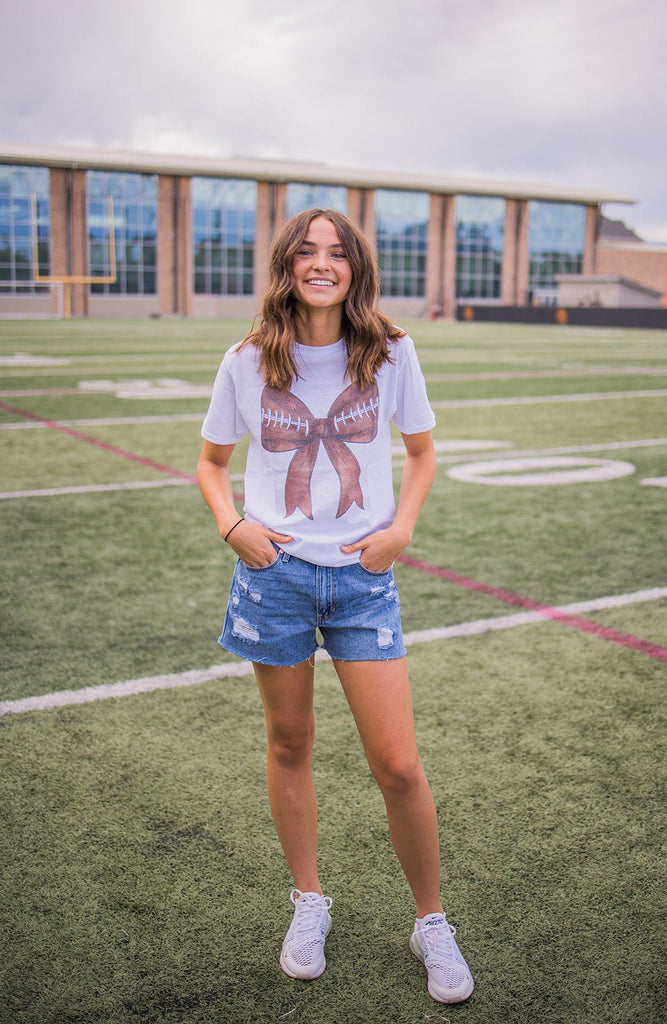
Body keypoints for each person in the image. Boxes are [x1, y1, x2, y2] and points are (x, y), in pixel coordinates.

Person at [196, 208, 474, 1005]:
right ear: (287, 265)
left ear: (355, 267)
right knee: (290, 745)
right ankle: (308, 902)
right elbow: (212, 464)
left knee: (398, 764)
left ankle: (430, 922)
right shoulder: (246, 360)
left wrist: (401, 530)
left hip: (361, 576)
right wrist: (234, 525)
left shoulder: (389, 353)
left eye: (337, 253)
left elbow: (420, 452)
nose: (322, 264)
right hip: (273, 573)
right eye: (307, 252)